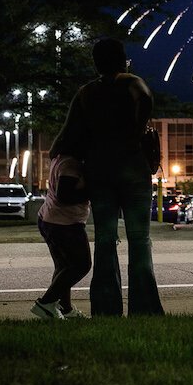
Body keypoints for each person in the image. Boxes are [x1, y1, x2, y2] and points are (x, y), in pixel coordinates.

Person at [51, 38, 164, 316]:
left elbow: (68, 132)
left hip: (100, 171)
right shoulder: (133, 83)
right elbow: (147, 100)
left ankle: (105, 307)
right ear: (123, 59)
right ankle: (145, 307)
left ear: (96, 63)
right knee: (139, 240)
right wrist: (134, 134)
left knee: (104, 239)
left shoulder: (86, 92)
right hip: (134, 170)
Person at [31, 151, 92, 320]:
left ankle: (65, 309)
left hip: (50, 218)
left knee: (64, 267)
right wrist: (93, 190)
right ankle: (45, 303)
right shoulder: (71, 164)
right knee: (81, 265)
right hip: (64, 223)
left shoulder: (61, 158)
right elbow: (64, 195)